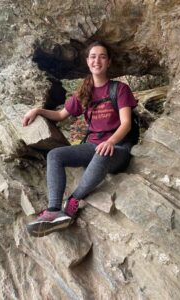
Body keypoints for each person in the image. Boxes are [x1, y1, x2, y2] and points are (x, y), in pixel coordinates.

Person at [23, 41, 137, 236]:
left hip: (118, 149)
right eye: (93, 56)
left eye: (102, 56)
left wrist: (110, 141)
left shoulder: (119, 89)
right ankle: (54, 211)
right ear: (87, 61)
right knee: (55, 155)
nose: (97, 60)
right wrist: (38, 110)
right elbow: (60, 115)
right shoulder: (84, 92)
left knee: (102, 153)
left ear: (108, 62)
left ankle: (73, 201)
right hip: (93, 145)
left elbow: (126, 123)